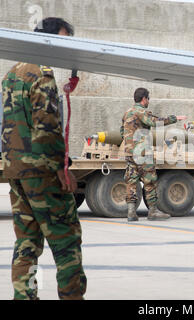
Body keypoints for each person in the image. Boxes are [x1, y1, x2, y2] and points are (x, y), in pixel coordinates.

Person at [1, 17, 86, 300]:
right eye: (63, 40)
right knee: (66, 241)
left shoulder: (12, 73)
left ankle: (24, 296)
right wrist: (62, 168)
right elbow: (46, 127)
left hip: (15, 171)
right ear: (48, 39)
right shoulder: (42, 75)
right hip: (42, 171)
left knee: (26, 241)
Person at [120, 88, 177, 222]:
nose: (149, 101)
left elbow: (122, 131)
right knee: (149, 180)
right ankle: (152, 211)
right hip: (143, 152)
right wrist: (173, 119)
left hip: (130, 153)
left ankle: (131, 212)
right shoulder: (142, 112)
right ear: (144, 98)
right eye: (148, 98)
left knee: (131, 181)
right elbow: (154, 122)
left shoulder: (127, 113)